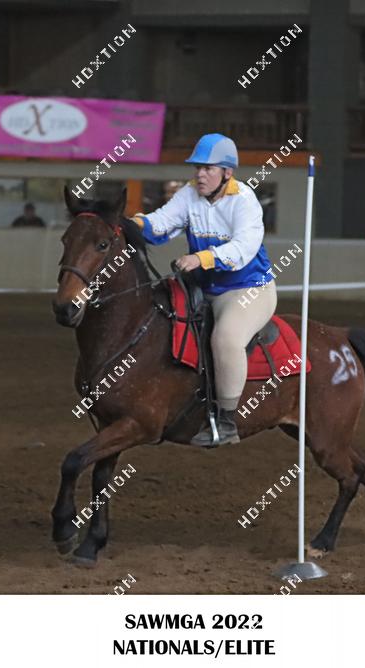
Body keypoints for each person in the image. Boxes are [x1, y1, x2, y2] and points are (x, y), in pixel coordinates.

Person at [132, 133, 275, 447]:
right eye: (197, 168)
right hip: (202, 287)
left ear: (227, 172)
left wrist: (201, 258)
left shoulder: (245, 200)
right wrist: (133, 224)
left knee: (226, 339)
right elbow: (162, 224)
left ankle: (226, 422)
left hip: (247, 289)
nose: (199, 174)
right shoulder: (188, 194)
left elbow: (243, 249)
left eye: (208, 168)